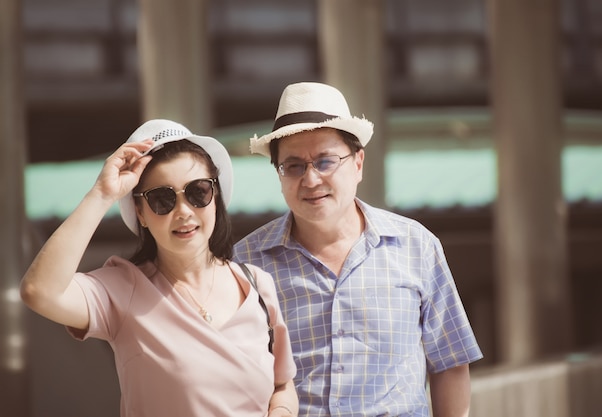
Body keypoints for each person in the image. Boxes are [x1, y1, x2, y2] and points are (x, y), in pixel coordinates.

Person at [233, 82, 483, 417]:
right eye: (294, 166)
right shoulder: (245, 263)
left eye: (325, 161)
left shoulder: (416, 246)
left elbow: (450, 362)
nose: (310, 180)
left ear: (358, 163)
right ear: (279, 175)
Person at [20, 119, 299, 417]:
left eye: (198, 192)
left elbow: (282, 384)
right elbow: (40, 291)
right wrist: (102, 194)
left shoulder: (257, 284)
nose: (183, 211)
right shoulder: (124, 288)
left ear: (215, 196)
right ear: (140, 212)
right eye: (162, 199)